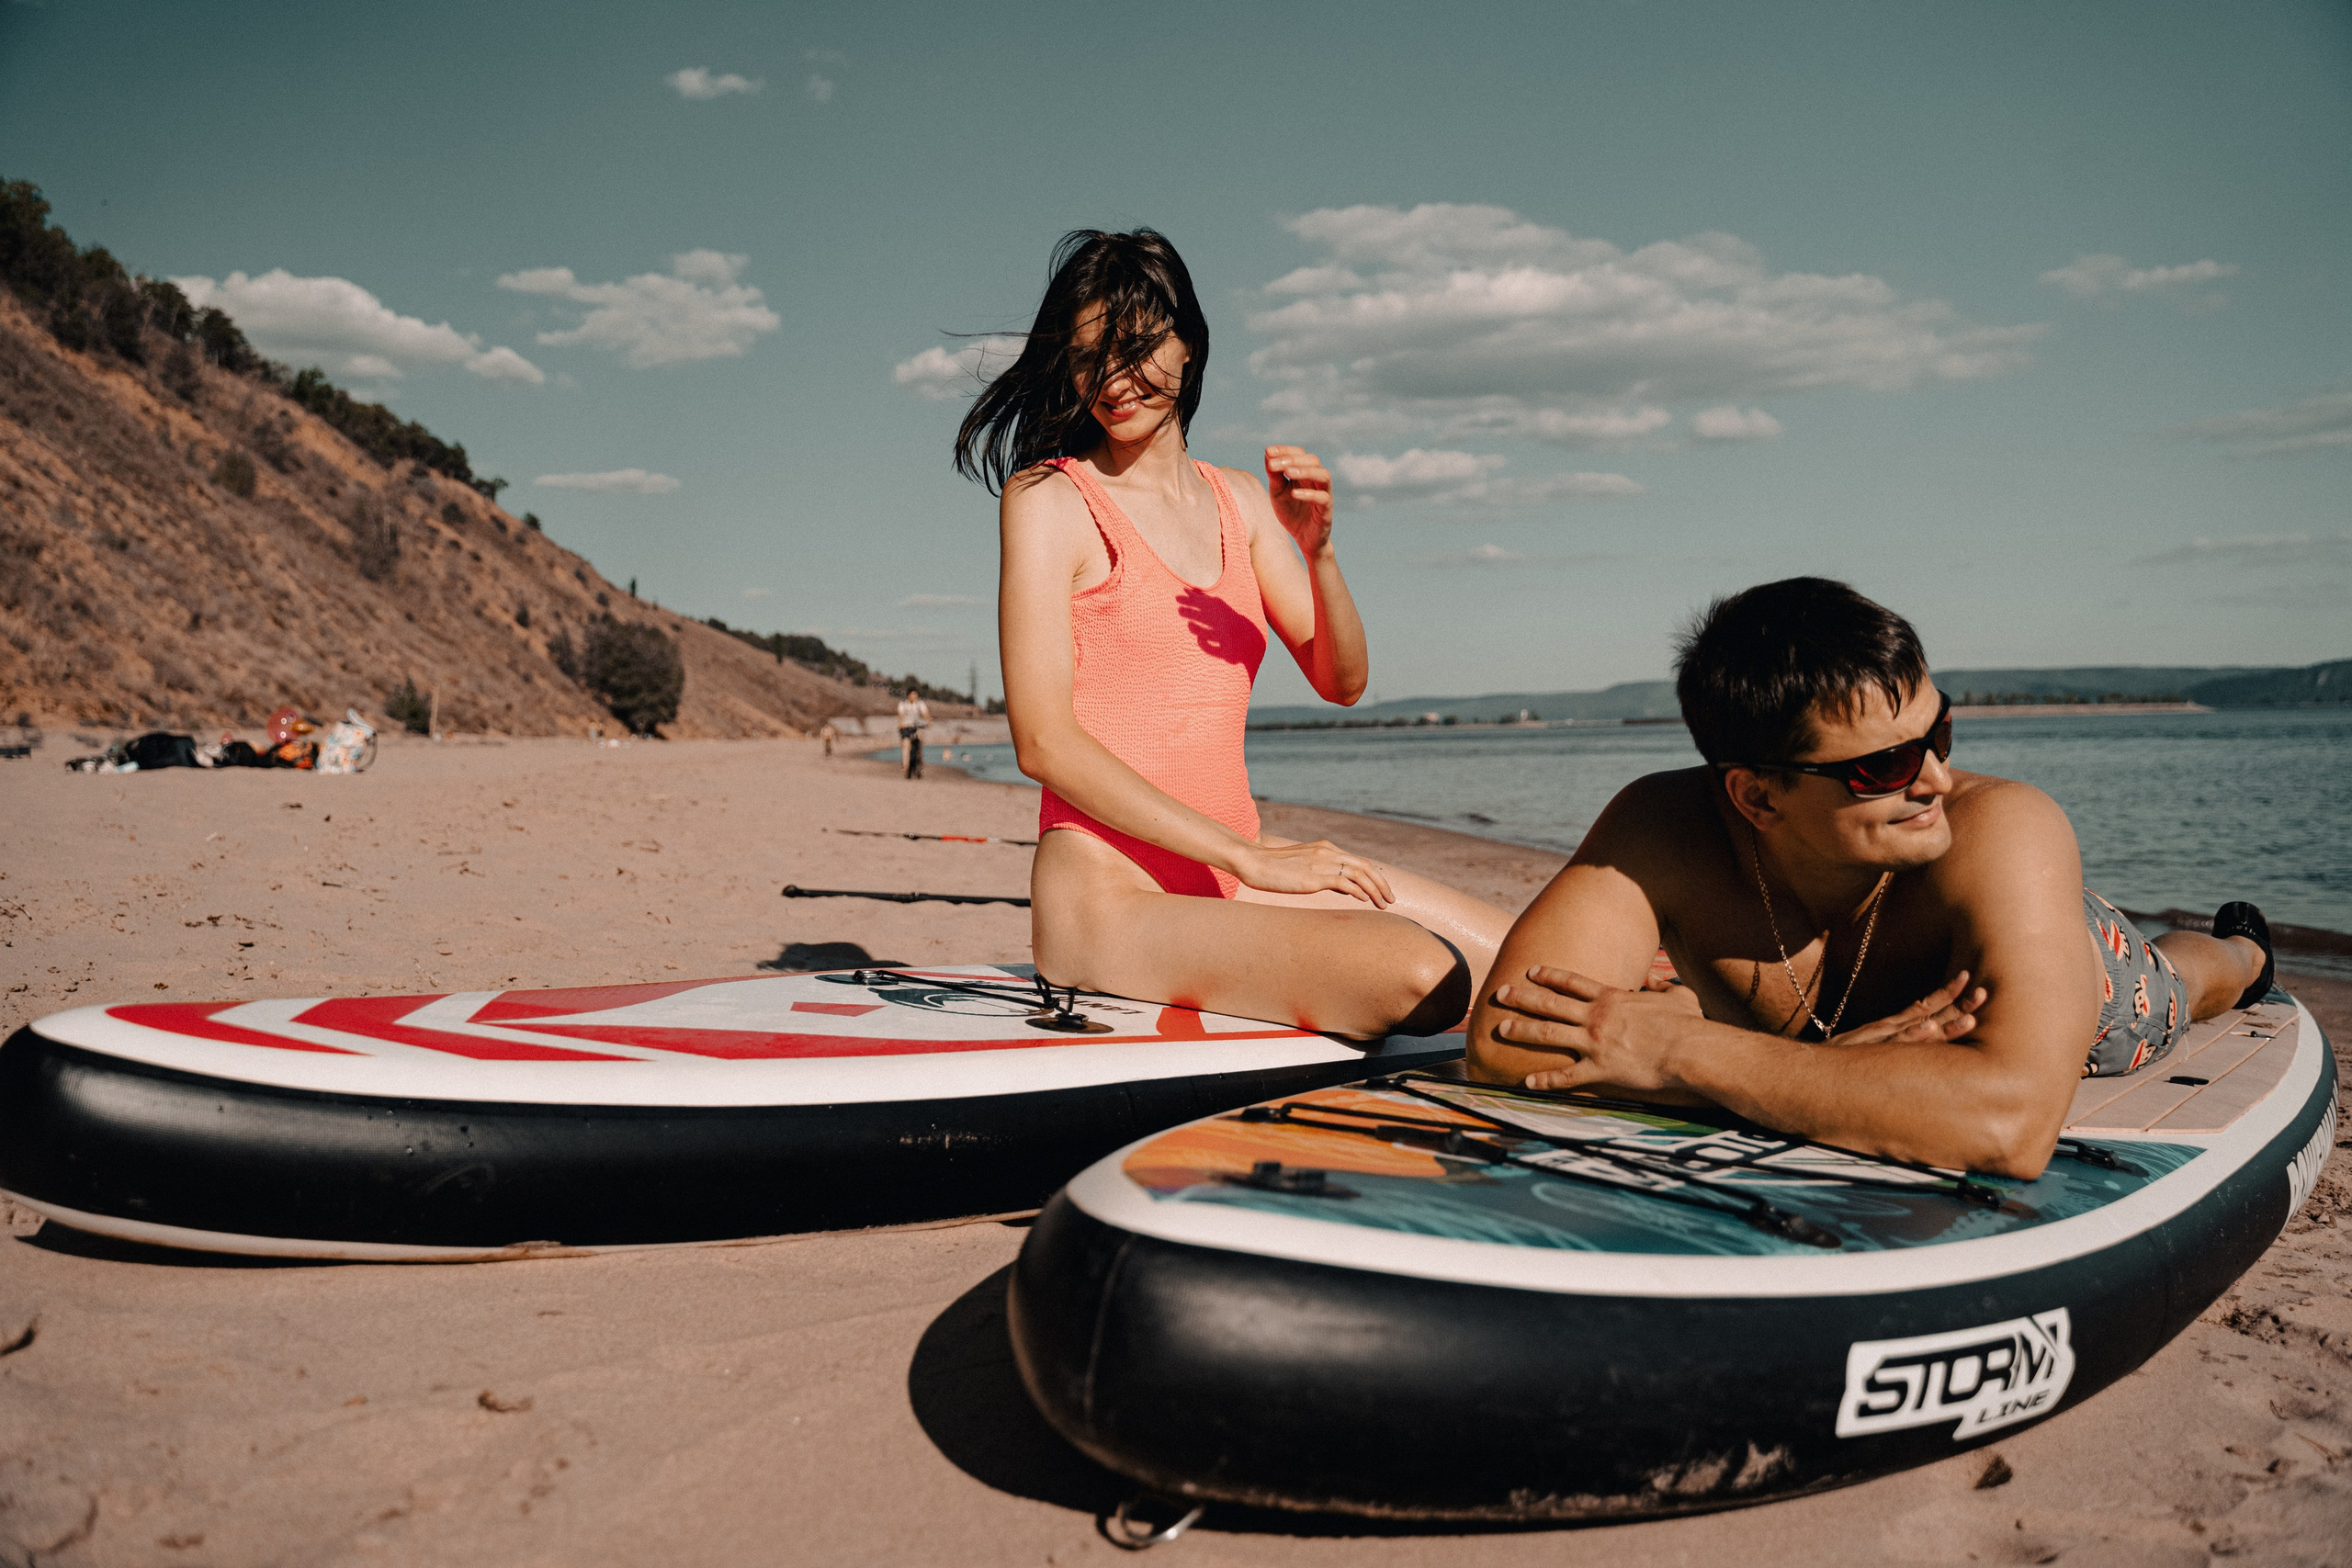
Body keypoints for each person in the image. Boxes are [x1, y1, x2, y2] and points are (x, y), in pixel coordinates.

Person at [1469, 577, 2277, 1179]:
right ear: (1757, 795)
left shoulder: (2004, 829)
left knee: (2187, 980)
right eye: (1884, 764)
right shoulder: (1658, 831)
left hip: (2094, 975)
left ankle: (2245, 952)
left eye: (1940, 731)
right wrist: (1839, 1073)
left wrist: (1681, 1048)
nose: (1934, 780)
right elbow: (1504, 1046)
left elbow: (2011, 1124)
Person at [963, 229, 1511, 1040]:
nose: (1114, 380)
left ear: (1191, 346)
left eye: (1140, 348)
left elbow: (1342, 681)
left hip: (1225, 874)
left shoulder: (1242, 502)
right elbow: (1044, 743)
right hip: (1109, 901)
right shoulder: (1050, 500)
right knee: (1422, 971)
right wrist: (1249, 856)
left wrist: (1319, 550)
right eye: (1089, 357)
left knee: (1529, 951)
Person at [897, 687, 931, 779]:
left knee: (919, 743)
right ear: (908, 695)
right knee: (906, 746)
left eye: (916, 694)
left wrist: (928, 721)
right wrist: (901, 724)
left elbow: (925, 713)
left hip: (918, 726)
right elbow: (900, 715)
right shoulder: (903, 704)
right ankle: (905, 767)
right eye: (912, 694)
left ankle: (920, 765)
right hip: (906, 727)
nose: (914, 696)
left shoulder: (920, 704)